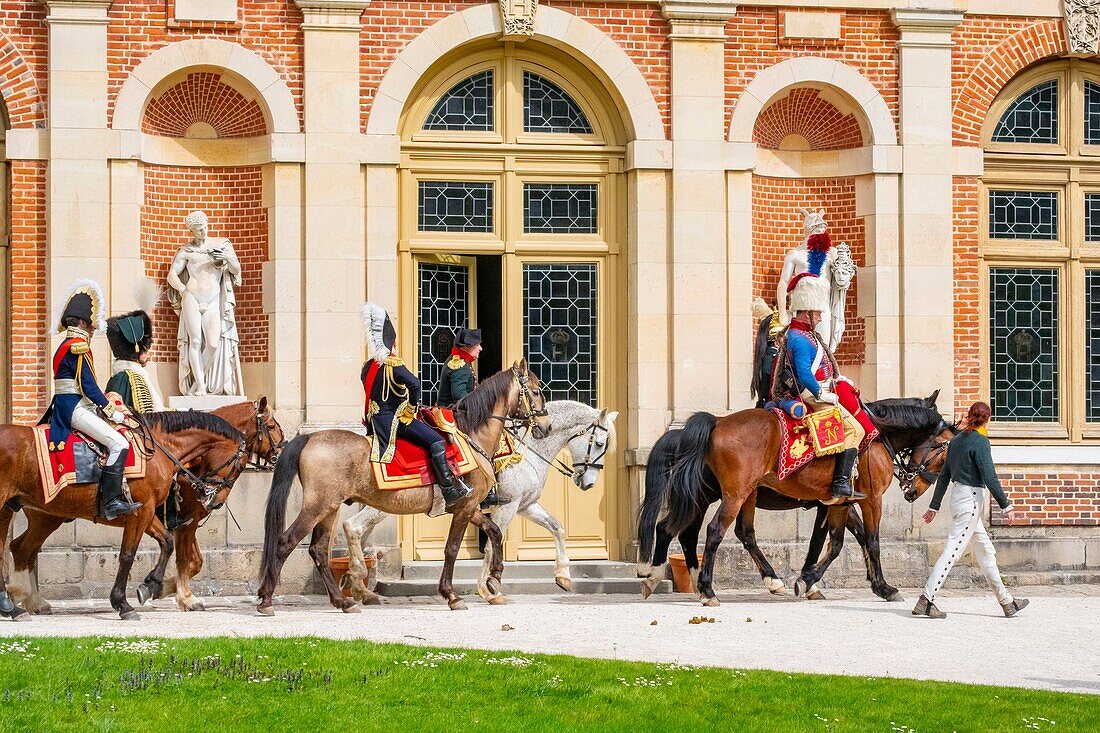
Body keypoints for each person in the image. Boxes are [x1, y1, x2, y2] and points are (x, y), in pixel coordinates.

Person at [771, 230, 877, 500]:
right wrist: (822, 394)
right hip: (812, 394)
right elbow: (805, 372)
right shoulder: (799, 338)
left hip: (822, 388)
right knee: (856, 429)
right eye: (817, 312)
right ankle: (840, 483)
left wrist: (838, 382)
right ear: (807, 312)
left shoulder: (806, 333)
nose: (821, 316)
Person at [913, 401, 1029, 619]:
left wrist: (934, 506)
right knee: (952, 552)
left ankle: (1007, 602)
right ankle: (926, 600)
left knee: (986, 552)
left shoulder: (955, 442)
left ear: (969, 416)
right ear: (987, 419)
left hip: (959, 500)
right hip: (971, 502)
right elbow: (989, 476)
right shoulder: (981, 441)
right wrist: (1006, 505)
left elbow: (944, 476)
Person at [41, 280, 141, 521]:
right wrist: (112, 412)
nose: (94, 329)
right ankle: (111, 501)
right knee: (119, 443)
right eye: (92, 325)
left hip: (70, 405)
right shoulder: (78, 346)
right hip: (74, 408)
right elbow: (89, 387)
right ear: (83, 323)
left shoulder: (65, 344)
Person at [361, 303, 471, 511]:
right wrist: (410, 408)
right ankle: (449, 491)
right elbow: (415, 384)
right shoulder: (393, 363)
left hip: (375, 420)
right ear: (392, 344)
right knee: (436, 441)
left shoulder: (371, 367)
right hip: (395, 421)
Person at [104, 310, 191, 529]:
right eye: (145, 350)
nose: (149, 354)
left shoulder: (135, 374)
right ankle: (165, 515)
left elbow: (154, 408)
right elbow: (132, 409)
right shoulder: (126, 376)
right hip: (138, 433)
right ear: (136, 351)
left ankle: (171, 513)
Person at [167, 210, 244, 396]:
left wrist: (228, 258)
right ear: (191, 231)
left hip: (212, 300)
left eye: (205, 227)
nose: (203, 232)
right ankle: (200, 384)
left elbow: (236, 269)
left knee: (213, 343)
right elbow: (172, 275)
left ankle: (198, 381)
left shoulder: (221, 245)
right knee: (194, 341)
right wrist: (183, 289)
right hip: (192, 297)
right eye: (199, 230)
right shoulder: (186, 251)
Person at [438, 328, 510, 509]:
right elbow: (460, 396)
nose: (480, 349)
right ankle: (485, 491)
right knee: (489, 445)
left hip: (456, 414)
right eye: (477, 345)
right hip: (455, 416)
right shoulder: (460, 365)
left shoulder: (462, 362)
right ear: (468, 346)